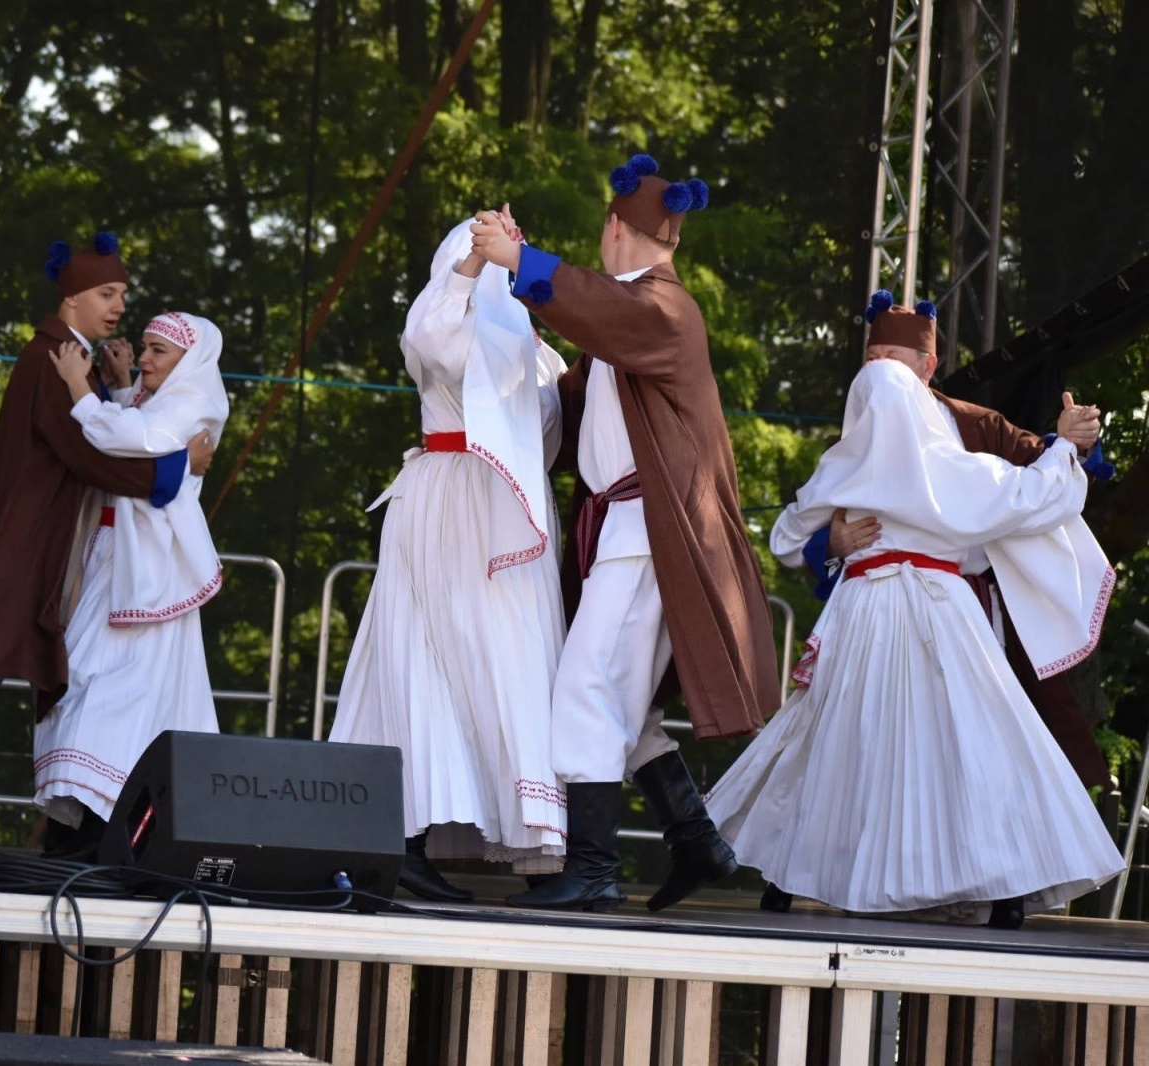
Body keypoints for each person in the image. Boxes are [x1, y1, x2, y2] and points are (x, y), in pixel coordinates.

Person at [704, 341, 1124, 928]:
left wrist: (835, 540)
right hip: (935, 611)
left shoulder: (848, 464)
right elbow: (1031, 494)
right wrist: (1060, 450)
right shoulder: (947, 465)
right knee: (972, 739)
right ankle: (1002, 886)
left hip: (869, 611)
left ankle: (790, 875)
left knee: (842, 739)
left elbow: (784, 533)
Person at [470, 153, 781, 912]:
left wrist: (520, 260)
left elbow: (598, 308)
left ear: (616, 227)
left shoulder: (662, 309)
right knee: (623, 707)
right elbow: (580, 370)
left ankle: (595, 870)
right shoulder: (632, 317)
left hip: (651, 533)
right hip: (636, 532)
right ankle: (697, 841)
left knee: (585, 689)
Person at [0, 234, 215, 855]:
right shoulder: (54, 356)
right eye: (106, 294)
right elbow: (84, 450)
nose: (118, 307)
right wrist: (174, 469)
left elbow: (102, 436)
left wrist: (110, 395)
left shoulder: (70, 357)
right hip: (22, 538)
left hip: (44, 540)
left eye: (121, 295)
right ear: (73, 296)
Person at [327, 214, 569, 901]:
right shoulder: (446, 318)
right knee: (422, 655)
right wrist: (471, 260)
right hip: (449, 499)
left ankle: (534, 845)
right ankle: (395, 841)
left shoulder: (537, 350)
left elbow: (550, 436)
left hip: (512, 513)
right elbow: (429, 343)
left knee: (515, 662)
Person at [798, 290, 1112, 790]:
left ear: (928, 365)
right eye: (871, 360)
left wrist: (1073, 443)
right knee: (866, 752)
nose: (877, 374)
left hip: (960, 611)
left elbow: (1037, 472)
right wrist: (829, 543)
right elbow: (806, 525)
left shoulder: (974, 425)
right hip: (872, 615)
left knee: (966, 752)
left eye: (891, 362)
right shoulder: (853, 442)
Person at [34, 311, 228, 856]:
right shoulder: (160, 400)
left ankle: (97, 827)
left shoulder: (200, 401)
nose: (142, 358)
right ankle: (78, 823)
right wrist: (121, 388)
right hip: (114, 562)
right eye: (142, 347)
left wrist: (78, 384)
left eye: (156, 351)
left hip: (149, 577)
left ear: (189, 361)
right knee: (83, 680)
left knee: (114, 689)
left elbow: (130, 442)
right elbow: (140, 436)